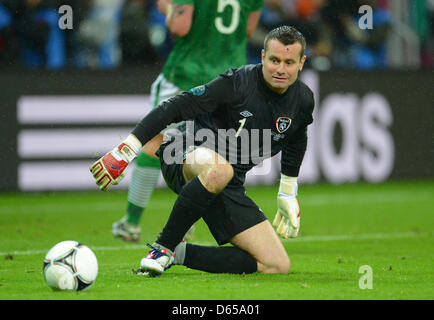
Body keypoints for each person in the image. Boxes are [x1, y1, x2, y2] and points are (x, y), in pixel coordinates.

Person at [91, 26, 314, 275]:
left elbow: (297, 137)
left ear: (301, 62)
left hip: (228, 183)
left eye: (289, 62)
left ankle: (180, 253)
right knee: (219, 170)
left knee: (275, 264)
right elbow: (177, 106)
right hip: (185, 153)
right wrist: (128, 149)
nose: (280, 69)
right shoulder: (236, 84)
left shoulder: (303, 100)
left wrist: (287, 191)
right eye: (274, 60)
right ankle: (163, 247)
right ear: (262, 57)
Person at [112, 0, 263, 242]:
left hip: (187, 73)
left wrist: (168, 8)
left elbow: (180, 26)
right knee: (204, 150)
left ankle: (131, 222)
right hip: (228, 80)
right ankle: (186, 222)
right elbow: (247, 29)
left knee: (155, 143)